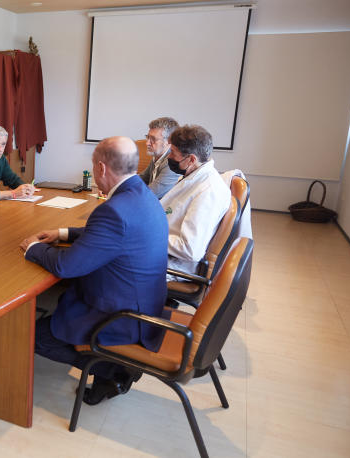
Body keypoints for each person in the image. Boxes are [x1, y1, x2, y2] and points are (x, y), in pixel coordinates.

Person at [19, 136, 169, 405]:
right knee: (57, 300)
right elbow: (112, 235)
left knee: (32, 334)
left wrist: (32, 248)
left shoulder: (114, 211)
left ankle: (114, 370)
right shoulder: (141, 194)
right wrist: (63, 232)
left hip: (123, 317)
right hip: (146, 303)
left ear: (100, 168)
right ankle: (111, 369)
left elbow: (66, 266)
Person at [160, 125, 231, 275]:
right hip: (164, 251)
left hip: (174, 266)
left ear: (191, 159)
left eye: (173, 153)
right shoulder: (193, 176)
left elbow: (190, 248)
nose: (169, 157)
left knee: (110, 264)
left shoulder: (208, 191)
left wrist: (147, 234)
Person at [139, 116, 180, 199]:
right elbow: (141, 179)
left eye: (153, 139)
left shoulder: (172, 163)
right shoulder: (157, 156)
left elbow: (149, 195)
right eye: (148, 137)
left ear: (169, 141)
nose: (147, 143)